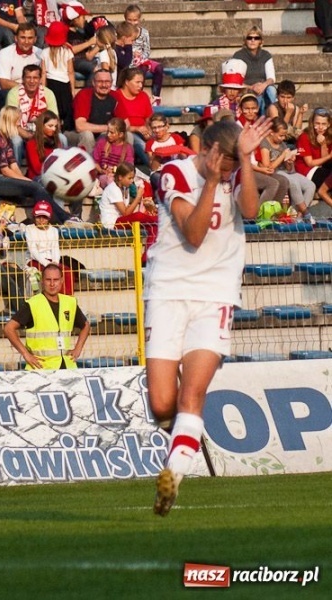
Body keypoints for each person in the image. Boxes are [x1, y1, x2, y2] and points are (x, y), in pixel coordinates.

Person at [146, 118, 271, 517]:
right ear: (207, 150)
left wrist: (247, 161)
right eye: (228, 160)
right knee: (162, 403)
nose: (230, 168)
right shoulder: (173, 174)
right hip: (168, 292)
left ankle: (174, 475)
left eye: (236, 162)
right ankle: (182, 435)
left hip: (215, 295)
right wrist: (213, 183)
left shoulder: (236, 173)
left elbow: (250, 211)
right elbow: (193, 234)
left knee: (191, 395)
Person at [4, 262, 90, 370]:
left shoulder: (70, 302)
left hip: (67, 367)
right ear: (42, 281)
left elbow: (85, 325)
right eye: (49, 280)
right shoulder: (33, 304)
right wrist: (26, 354)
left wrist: (78, 348)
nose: (52, 284)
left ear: (62, 281)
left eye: (56, 280)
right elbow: (9, 328)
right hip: (41, 369)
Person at [260, 118, 316, 224]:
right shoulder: (264, 144)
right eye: (281, 135)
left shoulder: (282, 144)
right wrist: (282, 156)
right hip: (275, 172)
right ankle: (306, 213)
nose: (283, 138)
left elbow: (289, 168)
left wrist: (290, 161)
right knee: (293, 183)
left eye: (285, 135)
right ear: (271, 132)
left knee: (310, 185)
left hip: (287, 171)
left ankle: (298, 217)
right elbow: (268, 167)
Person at [98, 161, 158, 261]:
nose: (131, 181)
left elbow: (128, 209)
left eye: (132, 178)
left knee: (154, 226)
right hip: (112, 223)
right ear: (120, 177)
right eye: (129, 178)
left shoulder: (125, 189)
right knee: (139, 216)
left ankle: (146, 258)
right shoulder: (113, 188)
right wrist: (138, 197)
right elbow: (125, 213)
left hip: (120, 220)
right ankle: (159, 218)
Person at [6, 64, 57, 161]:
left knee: (62, 138)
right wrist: (29, 136)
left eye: (35, 78)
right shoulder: (13, 93)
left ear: (40, 79)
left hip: (43, 133)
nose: (32, 81)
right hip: (20, 133)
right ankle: (16, 173)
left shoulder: (48, 93)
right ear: (23, 79)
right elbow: (11, 123)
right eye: (28, 77)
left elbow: (54, 120)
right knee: (16, 141)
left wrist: (41, 135)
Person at [23, 200, 73, 295]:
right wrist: (47, 264)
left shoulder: (53, 230)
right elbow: (33, 251)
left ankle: (67, 298)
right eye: (38, 217)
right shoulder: (29, 229)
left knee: (67, 271)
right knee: (49, 274)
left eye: (44, 217)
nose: (41, 220)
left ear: (49, 218)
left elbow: (55, 248)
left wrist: (55, 262)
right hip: (35, 261)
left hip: (51, 260)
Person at [124, 4, 164, 107]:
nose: (132, 23)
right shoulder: (122, 32)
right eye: (130, 20)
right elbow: (121, 48)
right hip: (130, 61)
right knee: (142, 70)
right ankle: (138, 96)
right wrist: (132, 54)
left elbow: (147, 50)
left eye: (135, 20)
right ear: (125, 19)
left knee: (159, 68)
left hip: (143, 59)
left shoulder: (144, 33)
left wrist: (141, 57)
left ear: (139, 20)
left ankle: (156, 96)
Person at [111, 67, 152, 167]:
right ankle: (153, 166)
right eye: (137, 82)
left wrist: (149, 130)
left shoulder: (143, 96)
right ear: (127, 82)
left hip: (143, 130)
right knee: (138, 143)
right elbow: (118, 124)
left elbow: (149, 118)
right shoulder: (116, 96)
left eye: (142, 83)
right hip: (127, 131)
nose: (140, 86)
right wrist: (137, 129)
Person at [231, 26, 276, 114]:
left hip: (263, 88)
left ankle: (272, 114)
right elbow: (236, 81)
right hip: (246, 88)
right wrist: (251, 87)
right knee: (257, 96)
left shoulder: (266, 55)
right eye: (249, 38)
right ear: (245, 40)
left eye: (256, 38)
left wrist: (263, 86)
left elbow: (271, 78)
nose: (252, 40)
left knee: (271, 90)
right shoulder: (238, 56)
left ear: (260, 41)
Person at [294, 107, 332, 208]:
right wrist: (329, 156)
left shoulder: (328, 136)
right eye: (317, 123)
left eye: (324, 124)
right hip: (306, 170)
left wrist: (323, 144)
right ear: (312, 123)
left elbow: (326, 161)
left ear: (328, 124)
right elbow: (309, 163)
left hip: (321, 167)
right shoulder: (304, 136)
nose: (320, 127)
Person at [41, 21, 75, 133]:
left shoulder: (44, 52)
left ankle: (56, 130)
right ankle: (65, 129)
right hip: (64, 85)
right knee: (66, 109)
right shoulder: (67, 52)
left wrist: (43, 88)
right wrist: (73, 89)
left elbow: (43, 73)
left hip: (51, 84)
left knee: (54, 111)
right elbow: (70, 72)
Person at [73, 68, 117, 153]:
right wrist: (109, 128)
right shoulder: (84, 95)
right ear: (93, 83)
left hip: (103, 133)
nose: (104, 85)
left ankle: (121, 165)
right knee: (87, 135)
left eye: (107, 82)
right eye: (100, 81)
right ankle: (90, 165)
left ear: (111, 83)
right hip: (76, 134)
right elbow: (80, 126)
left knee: (127, 135)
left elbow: (125, 123)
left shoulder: (115, 96)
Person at [93, 117, 134, 189]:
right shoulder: (102, 143)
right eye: (108, 131)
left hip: (118, 177)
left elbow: (128, 167)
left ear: (120, 134)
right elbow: (95, 162)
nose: (108, 134)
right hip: (102, 176)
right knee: (109, 180)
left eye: (112, 133)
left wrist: (115, 171)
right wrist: (102, 171)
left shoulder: (127, 148)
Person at [24, 109, 65, 180]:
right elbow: (37, 169)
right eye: (50, 126)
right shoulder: (32, 143)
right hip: (38, 177)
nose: (54, 129)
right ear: (42, 125)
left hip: (54, 175)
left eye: (55, 126)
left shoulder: (56, 141)